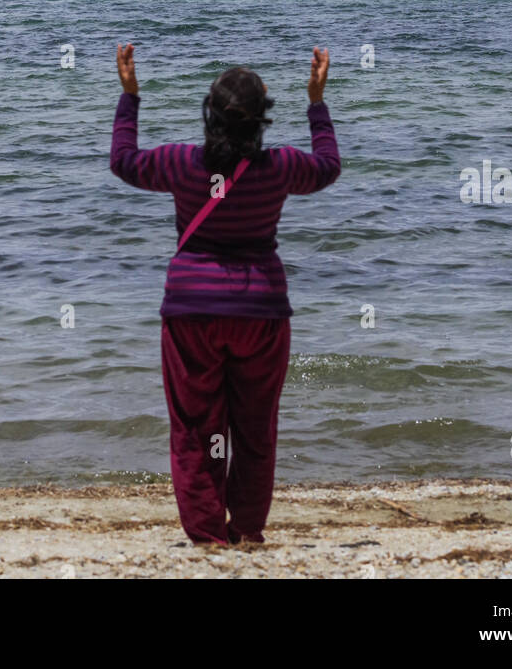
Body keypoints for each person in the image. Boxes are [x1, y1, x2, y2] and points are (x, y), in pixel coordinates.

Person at [110, 44, 340, 546]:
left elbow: (124, 162)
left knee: (196, 429)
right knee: (255, 430)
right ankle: (249, 529)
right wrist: (317, 103)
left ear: (209, 114)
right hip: (262, 312)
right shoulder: (280, 168)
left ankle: (209, 536)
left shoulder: (178, 162)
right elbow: (328, 167)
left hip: (192, 311)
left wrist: (131, 96)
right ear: (262, 119)